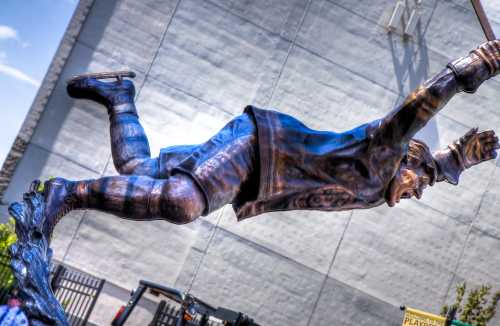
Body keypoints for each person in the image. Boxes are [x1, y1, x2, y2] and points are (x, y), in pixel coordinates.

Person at [42, 40, 500, 235]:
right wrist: (484, 61)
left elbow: (433, 169)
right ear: (406, 161)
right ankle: (67, 193)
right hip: (260, 152)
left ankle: (120, 95)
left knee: (140, 175)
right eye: (420, 182)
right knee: (182, 202)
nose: (419, 191)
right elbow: (426, 101)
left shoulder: (384, 188)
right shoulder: (383, 152)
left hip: (252, 175)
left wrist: (459, 159)